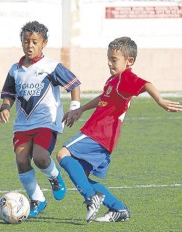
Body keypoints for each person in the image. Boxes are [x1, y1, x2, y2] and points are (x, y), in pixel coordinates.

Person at [56, 36, 182, 223]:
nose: (109, 63)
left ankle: (91, 198)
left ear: (129, 61)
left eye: (114, 59)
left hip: (98, 133)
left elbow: (145, 83)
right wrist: (81, 109)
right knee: (81, 176)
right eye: (109, 58)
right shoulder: (113, 80)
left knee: (62, 154)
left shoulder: (126, 78)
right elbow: (103, 97)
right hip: (104, 138)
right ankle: (119, 209)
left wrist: (160, 101)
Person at [0, 21, 81, 217]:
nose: (30, 45)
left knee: (41, 158)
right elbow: (8, 93)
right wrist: (5, 107)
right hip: (23, 123)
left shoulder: (51, 67)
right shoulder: (15, 69)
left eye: (35, 42)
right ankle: (37, 199)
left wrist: (75, 107)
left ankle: (54, 178)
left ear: (44, 43)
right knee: (21, 160)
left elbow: (74, 84)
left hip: (47, 121)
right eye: (26, 42)